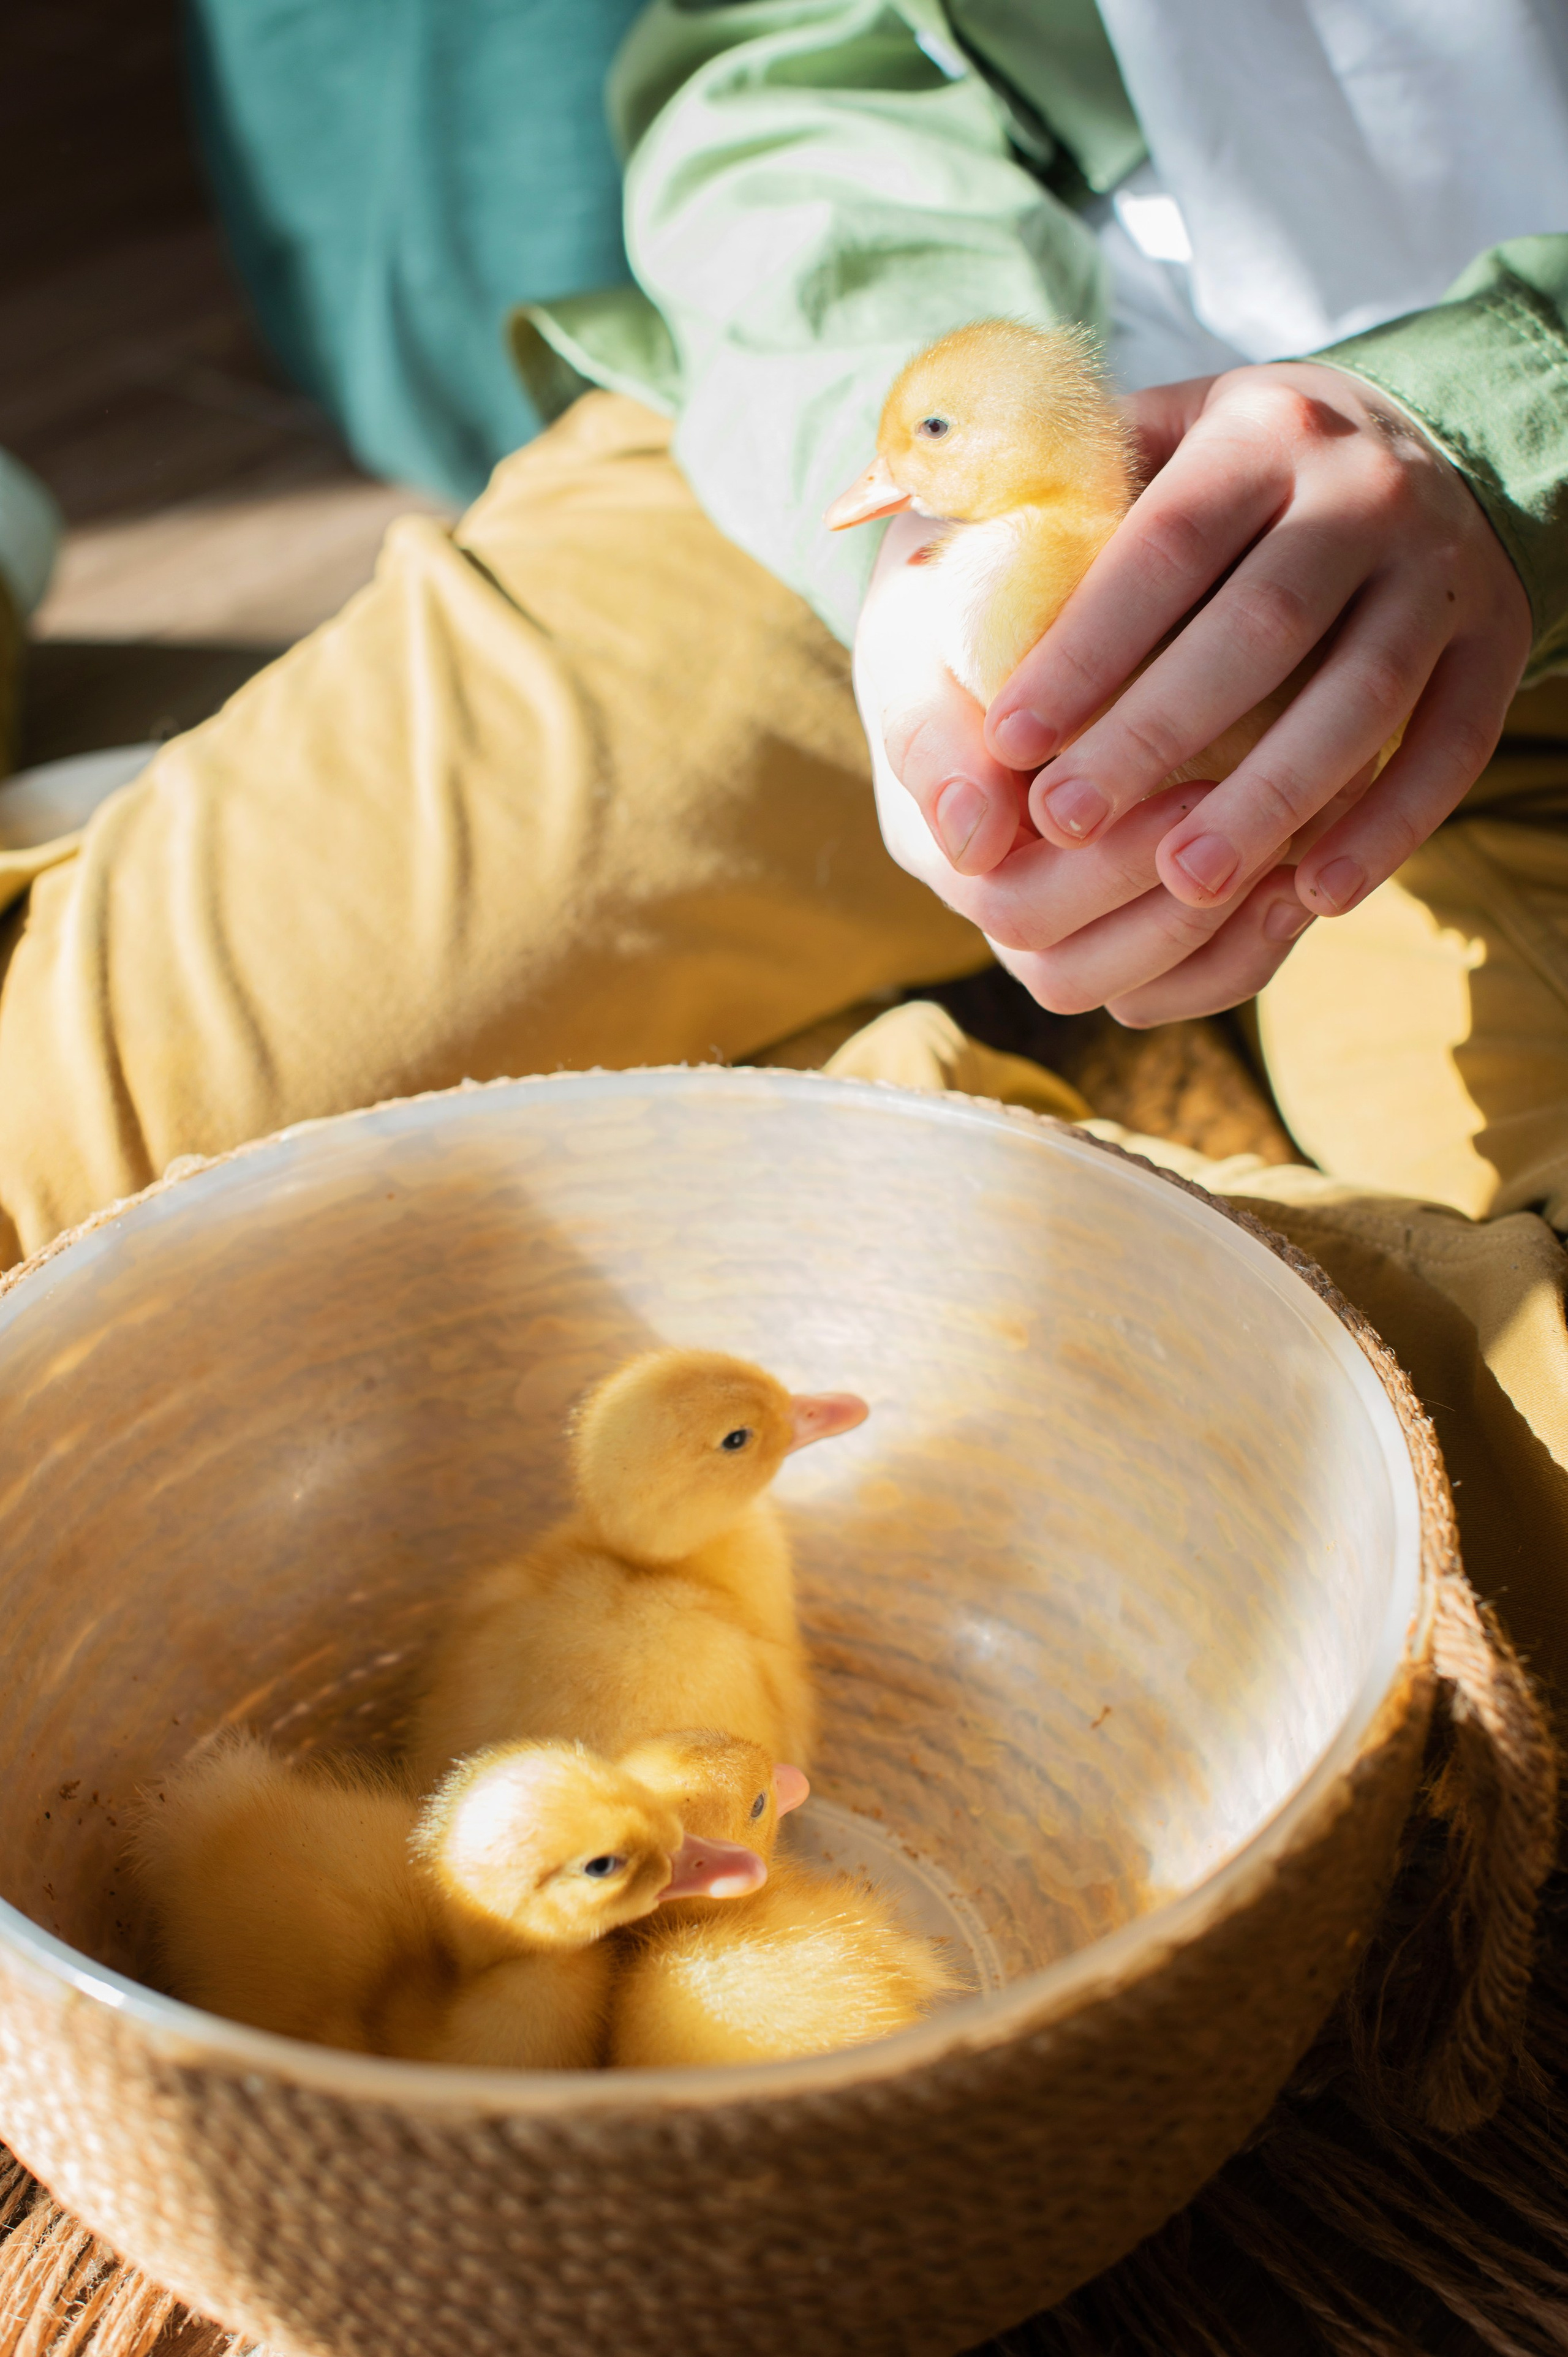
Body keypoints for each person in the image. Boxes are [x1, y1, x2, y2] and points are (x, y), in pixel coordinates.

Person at [3, 0, 1568, 1692]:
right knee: (39, 1190)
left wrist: (1496, 439)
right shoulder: (920, 477)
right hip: (940, 419)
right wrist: (895, 528)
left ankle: (921, 1155)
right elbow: (784, 53)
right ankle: (960, 1187)